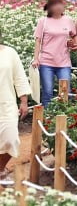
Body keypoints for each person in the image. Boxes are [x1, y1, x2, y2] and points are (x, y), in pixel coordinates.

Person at [32, 0, 77, 107]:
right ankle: (47, 118)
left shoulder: (68, 20)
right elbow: (38, 41)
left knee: (65, 91)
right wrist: (36, 59)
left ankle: (63, 117)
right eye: (55, 4)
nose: (59, 7)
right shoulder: (43, 21)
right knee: (48, 92)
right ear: (49, 7)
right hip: (46, 62)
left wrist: (76, 45)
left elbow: (74, 36)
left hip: (63, 62)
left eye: (61, 4)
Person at [0, 44, 31, 180]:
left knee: (11, 140)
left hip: (6, 104)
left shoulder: (9, 52)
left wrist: (24, 101)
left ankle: (0, 168)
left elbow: (19, 77)